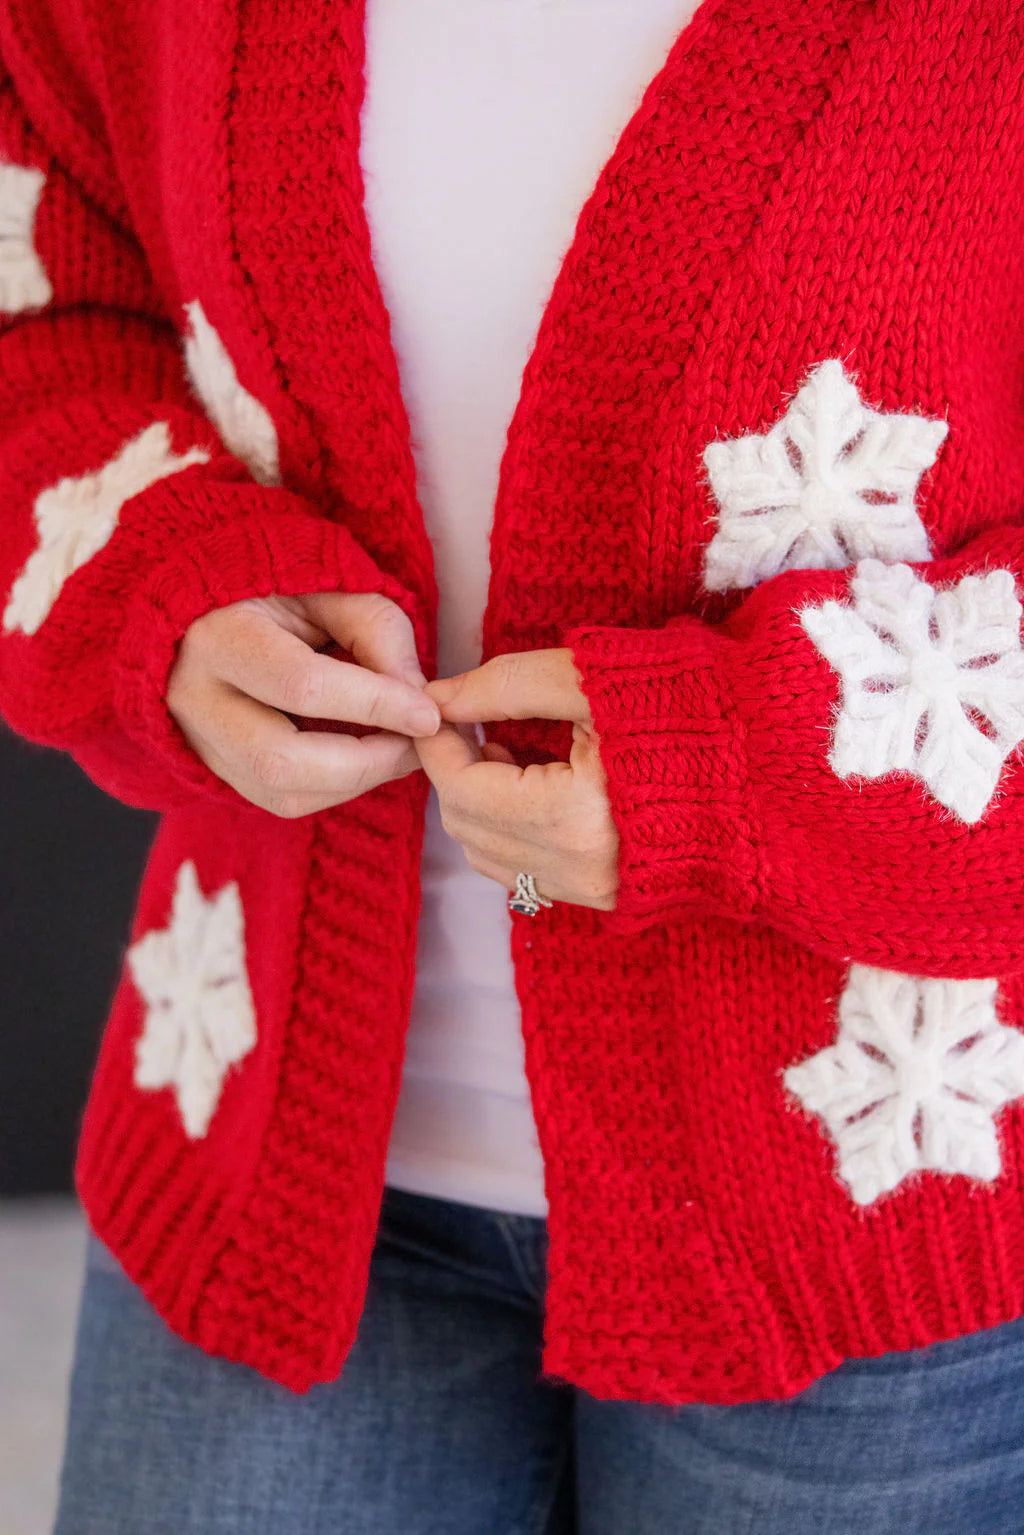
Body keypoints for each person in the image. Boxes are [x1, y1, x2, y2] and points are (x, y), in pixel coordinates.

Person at [1, 0, 1024, 1529]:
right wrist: (166, 578)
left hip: (873, 1218)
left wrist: (751, 763)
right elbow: (43, 309)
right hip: (274, 1143)